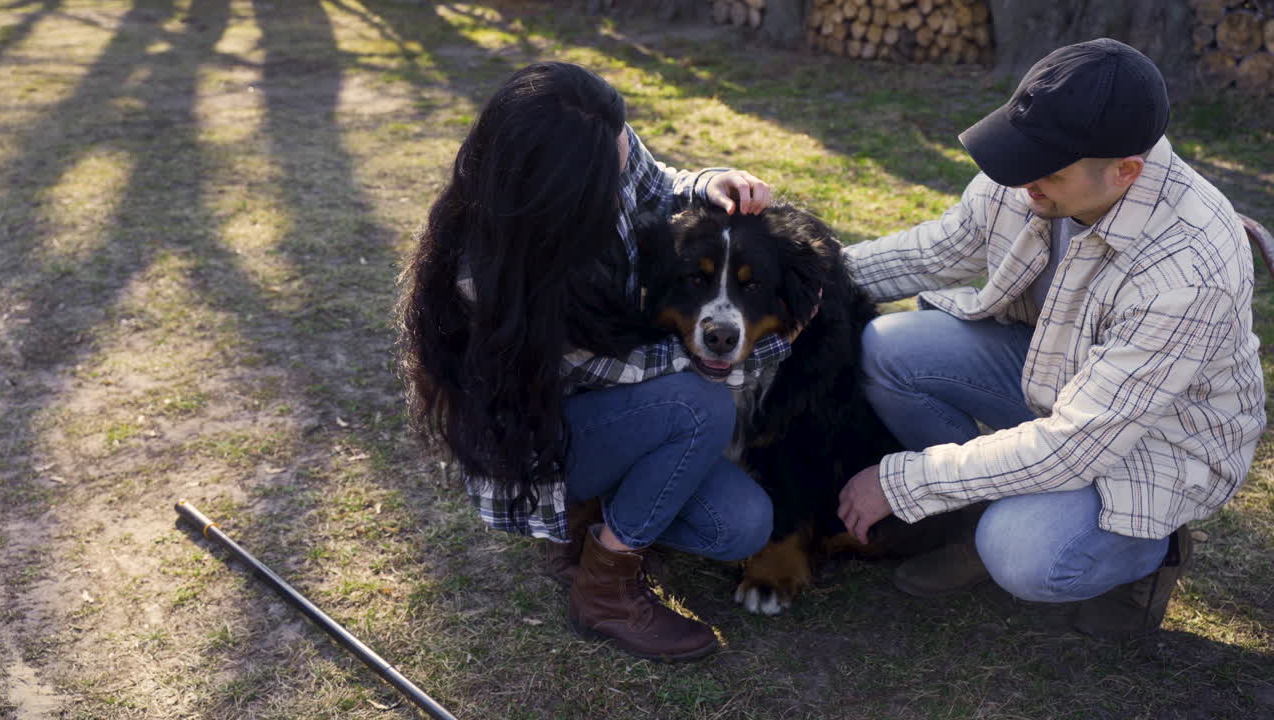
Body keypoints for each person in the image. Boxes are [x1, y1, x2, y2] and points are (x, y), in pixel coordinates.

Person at [835, 38, 1265, 639]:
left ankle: (1151, 549)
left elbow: (1076, 446)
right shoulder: (1035, 169)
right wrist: (803, 270)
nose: (1022, 182)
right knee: (889, 350)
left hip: (1156, 440)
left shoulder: (1188, 269)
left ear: (1126, 171)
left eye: (1048, 172)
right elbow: (939, 250)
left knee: (1024, 554)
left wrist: (905, 480)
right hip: (1057, 371)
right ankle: (976, 521)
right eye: (1020, 155)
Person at [398, 61, 791, 662]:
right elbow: (618, 369)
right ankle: (604, 590)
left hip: (621, 414)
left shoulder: (603, 142)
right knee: (700, 403)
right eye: (607, 175)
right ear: (554, 194)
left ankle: (597, 526)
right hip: (548, 436)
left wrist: (709, 183)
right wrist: (773, 340)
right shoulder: (490, 277)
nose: (624, 172)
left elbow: (658, 181)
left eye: (623, 149)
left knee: (740, 525)